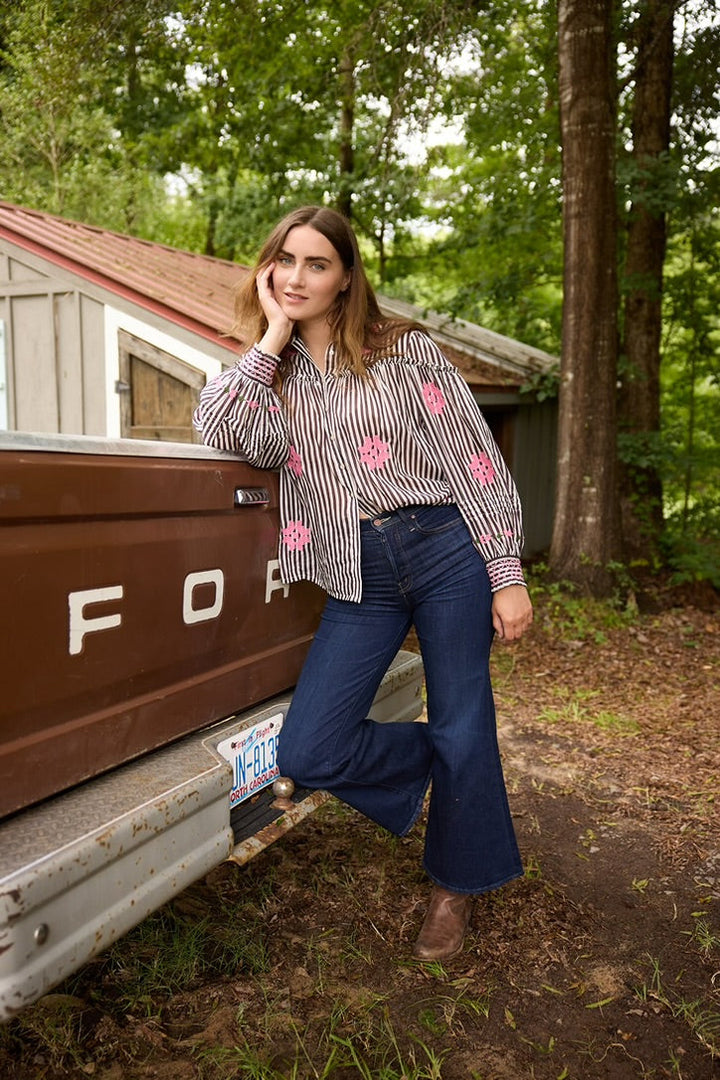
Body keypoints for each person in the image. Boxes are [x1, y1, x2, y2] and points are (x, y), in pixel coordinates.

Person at [193, 205, 533, 961]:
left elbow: (473, 456)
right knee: (310, 751)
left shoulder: (404, 352)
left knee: (462, 710)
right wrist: (272, 338)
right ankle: (453, 759)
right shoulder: (268, 382)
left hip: (445, 549)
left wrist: (505, 573)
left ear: (346, 278)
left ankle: (454, 887)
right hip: (357, 571)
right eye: (285, 260)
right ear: (267, 267)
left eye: (317, 264)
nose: (297, 277)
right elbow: (218, 429)